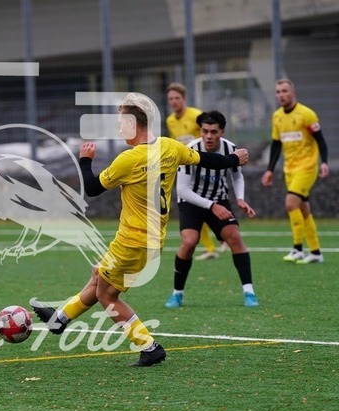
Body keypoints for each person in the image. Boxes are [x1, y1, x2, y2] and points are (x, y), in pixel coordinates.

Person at [31, 93, 248, 367]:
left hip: (132, 240)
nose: (119, 127)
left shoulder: (129, 159)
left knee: (106, 295)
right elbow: (204, 159)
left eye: (122, 122)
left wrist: (85, 160)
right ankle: (59, 319)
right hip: (152, 239)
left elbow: (93, 188)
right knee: (99, 274)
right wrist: (233, 160)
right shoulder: (170, 147)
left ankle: (149, 347)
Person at [164, 111, 258, 309]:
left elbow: (237, 176)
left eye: (213, 132)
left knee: (235, 238)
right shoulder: (189, 150)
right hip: (191, 201)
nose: (208, 136)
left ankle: (249, 292)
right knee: (189, 242)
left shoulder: (230, 149)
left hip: (218, 199)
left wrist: (240, 199)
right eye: (204, 131)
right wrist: (211, 206)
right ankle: (177, 293)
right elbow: (182, 190)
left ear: (221, 132)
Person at [262, 79, 329, 264]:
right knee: (303, 209)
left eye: (285, 91)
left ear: (293, 92)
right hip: (289, 169)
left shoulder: (306, 114)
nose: (281, 95)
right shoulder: (277, 116)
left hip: (307, 168)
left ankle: (297, 249)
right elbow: (276, 144)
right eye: (278, 92)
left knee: (291, 203)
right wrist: (269, 170)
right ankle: (315, 252)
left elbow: (320, 140)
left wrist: (324, 162)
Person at [166, 83, 224, 260]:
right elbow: (175, 144)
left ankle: (223, 235)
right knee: (194, 205)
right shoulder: (170, 121)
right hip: (186, 168)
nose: (174, 101)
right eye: (171, 99)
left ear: (184, 99)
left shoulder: (196, 115)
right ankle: (210, 247)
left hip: (202, 165)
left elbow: (210, 136)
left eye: (177, 98)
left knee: (209, 201)